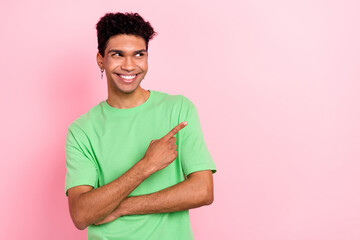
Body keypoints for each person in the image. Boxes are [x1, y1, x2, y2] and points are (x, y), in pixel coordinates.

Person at [64, 12, 217, 240]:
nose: (129, 65)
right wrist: (146, 165)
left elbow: (202, 191)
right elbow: (81, 213)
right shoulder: (82, 130)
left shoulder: (178, 109)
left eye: (138, 55)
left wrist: (123, 206)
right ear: (101, 60)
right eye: (118, 54)